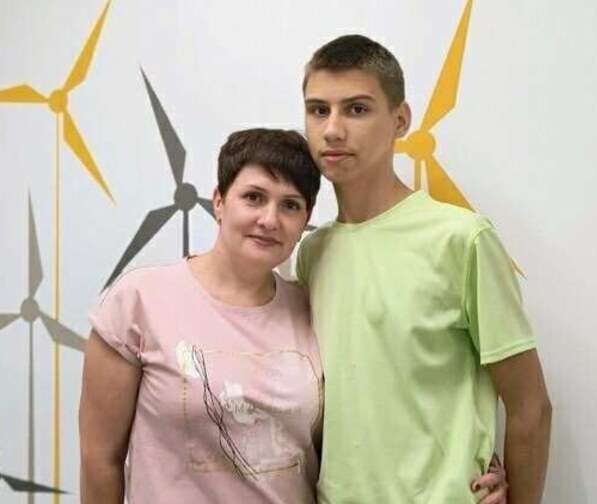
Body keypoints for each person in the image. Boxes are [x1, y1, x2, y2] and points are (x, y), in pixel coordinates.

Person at [79, 128, 508, 503]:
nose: (269, 219)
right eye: (254, 197)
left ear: (305, 221)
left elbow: (377, 408)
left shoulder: (310, 304)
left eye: (290, 205)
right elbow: (100, 459)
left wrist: (466, 465)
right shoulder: (140, 301)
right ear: (219, 201)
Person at [297, 35, 552, 503]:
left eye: (356, 109)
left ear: (400, 120)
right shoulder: (311, 253)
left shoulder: (461, 239)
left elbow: (530, 406)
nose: (332, 130)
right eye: (318, 110)